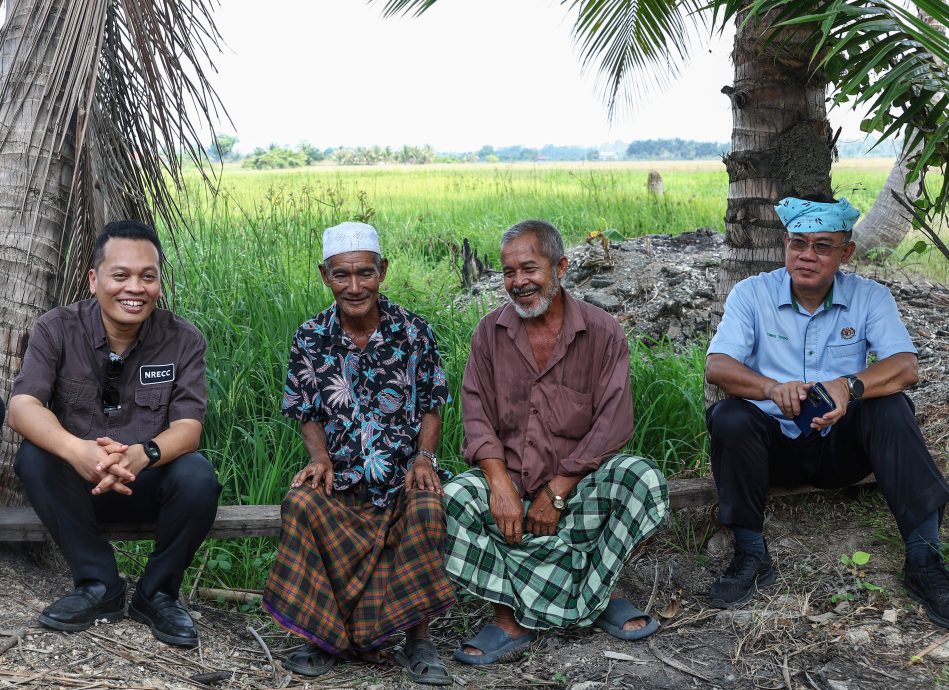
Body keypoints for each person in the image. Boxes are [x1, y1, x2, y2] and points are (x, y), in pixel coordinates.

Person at [705, 195, 949, 624]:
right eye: (798, 243)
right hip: (773, 451)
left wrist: (849, 386)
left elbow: (906, 366)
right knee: (730, 417)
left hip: (841, 449)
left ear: (846, 252)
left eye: (822, 246)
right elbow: (717, 366)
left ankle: (924, 560)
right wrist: (770, 387)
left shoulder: (870, 297)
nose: (807, 256)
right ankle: (750, 554)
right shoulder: (753, 294)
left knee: (891, 406)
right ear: (785, 244)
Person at [444, 219, 669, 665]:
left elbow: (614, 420)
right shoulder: (489, 333)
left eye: (529, 269)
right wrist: (499, 485)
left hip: (577, 492)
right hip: (510, 494)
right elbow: (475, 415)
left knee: (640, 478)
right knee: (452, 497)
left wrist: (559, 490)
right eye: (509, 272)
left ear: (560, 266)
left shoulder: (602, 331)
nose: (518, 283)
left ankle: (597, 594)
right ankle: (511, 618)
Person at [8, 220, 220, 647]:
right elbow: (21, 407)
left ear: (160, 280)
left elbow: (188, 427)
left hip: (144, 482)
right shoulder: (57, 328)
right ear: (95, 279)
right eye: (120, 275)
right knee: (34, 457)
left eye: (148, 276)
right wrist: (77, 450)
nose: (134, 288)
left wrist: (145, 453)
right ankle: (98, 586)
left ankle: (157, 594)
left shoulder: (183, 340)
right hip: (77, 488)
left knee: (198, 476)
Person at [262, 222, 455, 685]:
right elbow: (305, 408)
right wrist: (319, 459)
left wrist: (424, 459)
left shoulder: (413, 331)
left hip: (401, 476)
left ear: (382, 271)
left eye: (365, 273)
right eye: (342, 275)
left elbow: (432, 401)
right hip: (343, 474)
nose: (354, 287)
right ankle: (321, 636)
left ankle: (418, 641)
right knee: (302, 503)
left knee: (427, 507)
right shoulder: (310, 336)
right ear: (325, 276)